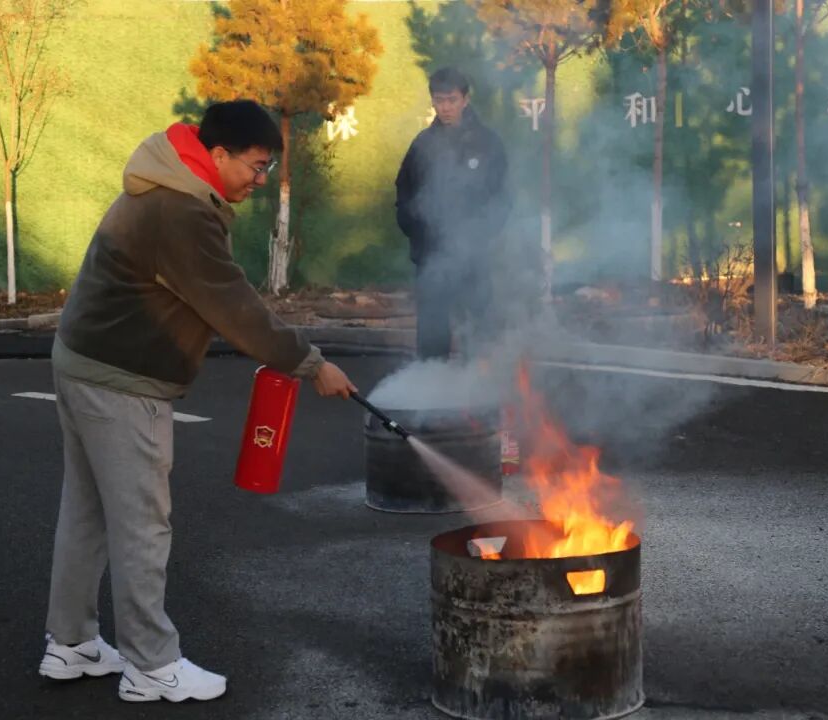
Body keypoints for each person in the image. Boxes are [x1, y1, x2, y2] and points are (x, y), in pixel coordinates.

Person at [38, 100, 356, 703]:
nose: (260, 182)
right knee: (141, 525)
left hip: (83, 361)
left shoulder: (166, 185)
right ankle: (152, 664)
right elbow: (235, 308)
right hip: (121, 380)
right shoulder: (181, 211)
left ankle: (72, 644)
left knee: (88, 513)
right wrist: (313, 364)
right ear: (216, 155)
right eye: (255, 167)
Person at [395, 67, 511, 359]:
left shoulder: (487, 143)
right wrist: (416, 229)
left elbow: (502, 197)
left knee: (477, 320)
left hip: (473, 253)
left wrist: (480, 235)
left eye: (451, 100)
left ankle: (478, 381)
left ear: (465, 99)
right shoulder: (422, 144)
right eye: (439, 100)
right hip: (430, 253)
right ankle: (432, 379)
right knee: (432, 322)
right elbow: (404, 191)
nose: (445, 107)